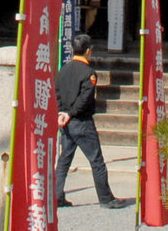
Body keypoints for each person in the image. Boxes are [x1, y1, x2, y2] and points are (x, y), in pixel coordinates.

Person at [55, 32, 132, 209]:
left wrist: (62, 112)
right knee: (96, 160)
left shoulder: (63, 70)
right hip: (81, 122)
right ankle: (105, 198)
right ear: (89, 51)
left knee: (64, 160)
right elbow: (85, 98)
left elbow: (57, 93)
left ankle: (56, 195)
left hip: (65, 121)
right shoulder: (89, 73)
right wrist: (72, 113)